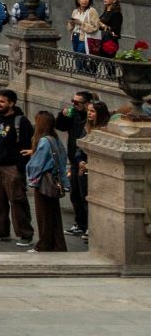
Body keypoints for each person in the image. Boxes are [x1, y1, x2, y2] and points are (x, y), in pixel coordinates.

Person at [0, 88, 35, 245]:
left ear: (11, 103)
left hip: (12, 167)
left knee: (18, 202)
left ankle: (25, 235)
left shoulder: (21, 122)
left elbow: (28, 146)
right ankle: (0, 231)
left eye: (2, 101)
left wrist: (20, 167)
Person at [62, 92, 107, 239]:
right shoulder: (86, 127)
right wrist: (80, 160)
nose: (89, 114)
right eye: (89, 111)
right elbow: (79, 147)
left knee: (91, 200)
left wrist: (89, 163)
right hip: (80, 167)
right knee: (78, 196)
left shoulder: (105, 130)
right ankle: (82, 225)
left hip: (94, 170)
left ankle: (92, 228)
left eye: (92, 111)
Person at [27, 109, 70, 253]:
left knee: (44, 215)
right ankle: (58, 245)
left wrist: (31, 179)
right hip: (54, 181)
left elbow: (37, 164)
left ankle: (44, 245)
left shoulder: (44, 141)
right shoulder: (54, 138)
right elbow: (62, 158)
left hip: (44, 182)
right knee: (54, 215)